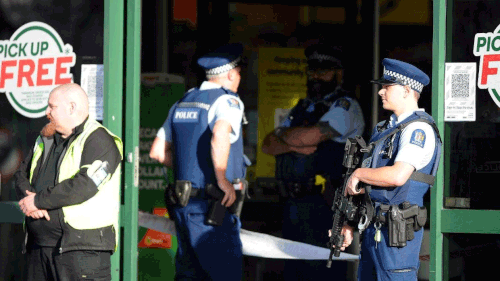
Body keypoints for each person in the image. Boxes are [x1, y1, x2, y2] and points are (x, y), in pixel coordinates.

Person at [261, 43, 365, 280]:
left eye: (324, 70)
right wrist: (295, 142)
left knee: (321, 271)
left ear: (338, 74)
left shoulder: (345, 106)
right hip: (292, 204)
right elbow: (268, 144)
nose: (316, 76)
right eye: (313, 70)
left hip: (325, 203)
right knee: (294, 271)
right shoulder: (303, 107)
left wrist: (290, 138)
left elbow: (312, 136)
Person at [149, 43, 248, 280]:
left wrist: (192, 167)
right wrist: (221, 178)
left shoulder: (184, 101)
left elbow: (157, 152)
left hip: (184, 207)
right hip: (212, 208)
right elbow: (220, 134)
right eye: (240, 73)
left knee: (189, 275)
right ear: (231, 74)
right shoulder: (227, 101)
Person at [340, 58, 442, 280]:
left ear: (406, 90)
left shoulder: (418, 129)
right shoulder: (384, 129)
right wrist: (348, 222)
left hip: (397, 237)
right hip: (373, 231)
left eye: (387, 87)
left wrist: (358, 173)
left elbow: (397, 176)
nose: (380, 92)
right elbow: (368, 185)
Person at [15, 83, 123, 280]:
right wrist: (29, 199)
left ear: (71, 107)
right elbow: (21, 174)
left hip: (82, 252)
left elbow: (84, 185)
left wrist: (39, 201)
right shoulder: (45, 138)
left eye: (52, 106)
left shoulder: (100, 140)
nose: (47, 112)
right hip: (39, 248)